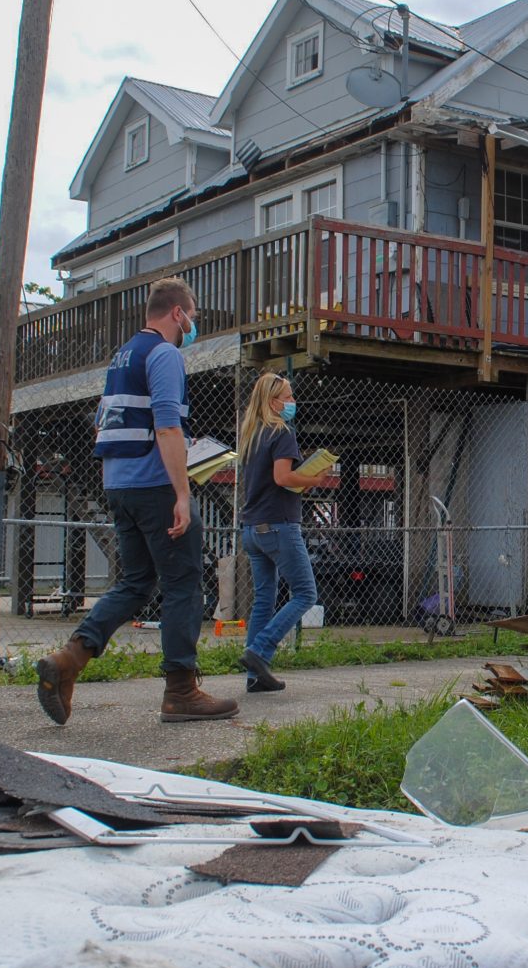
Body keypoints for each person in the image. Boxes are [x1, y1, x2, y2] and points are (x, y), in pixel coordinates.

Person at [35, 278, 237, 725]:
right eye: (194, 316)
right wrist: (182, 493)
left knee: (137, 582)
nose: (194, 325)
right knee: (184, 584)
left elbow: (113, 423)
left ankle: (69, 659)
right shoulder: (164, 354)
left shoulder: (123, 355)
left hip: (119, 484)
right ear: (177, 313)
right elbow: (166, 426)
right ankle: (181, 691)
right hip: (155, 486)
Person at [235, 372, 330, 693]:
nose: (292, 402)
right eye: (288, 397)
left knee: (264, 599)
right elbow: (283, 478)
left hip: (252, 528)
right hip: (279, 525)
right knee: (305, 593)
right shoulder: (281, 432)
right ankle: (260, 650)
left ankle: (255, 677)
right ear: (273, 402)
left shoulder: (251, 434)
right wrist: (314, 479)